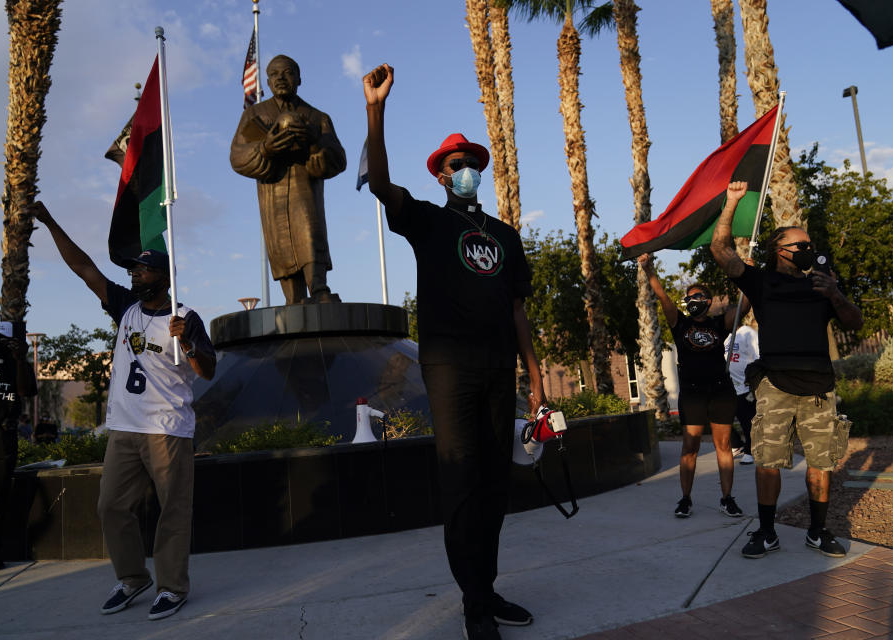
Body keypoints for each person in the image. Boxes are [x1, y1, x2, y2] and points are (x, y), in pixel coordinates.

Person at [363, 63, 547, 640]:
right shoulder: (426, 221)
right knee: (462, 481)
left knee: (495, 483)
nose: (464, 170)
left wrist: (535, 377)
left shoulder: (505, 236)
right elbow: (382, 182)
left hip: (500, 370)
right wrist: (376, 108)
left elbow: (518, 309)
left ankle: (485, 590)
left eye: (470, 163)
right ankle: (473, 605)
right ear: (441, 177)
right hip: (448, 369)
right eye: (454, 164)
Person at [33, 201, 216, 620]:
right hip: (125, 429)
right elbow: (85, 269)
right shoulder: (124, 308)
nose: (134, 275)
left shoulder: (184, 317)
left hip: (167, 430)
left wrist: (186, 342)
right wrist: (50, 222)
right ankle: (133, 577)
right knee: (110, 506)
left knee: (173, 512)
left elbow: (207, 370)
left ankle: (172, 587)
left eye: (143, 270)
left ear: (164, 278)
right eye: (132, 270)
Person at [710, 181, 863, 560]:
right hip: (775, 386)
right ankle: (766, 533)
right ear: (780, 251)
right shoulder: (760, 281)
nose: (809, 251)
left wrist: (835, 294)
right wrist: (731, 202)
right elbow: (720, 249)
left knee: (821, 465)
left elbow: (854, 323)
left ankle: (818, 531)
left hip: (818, 389)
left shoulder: (822, 284)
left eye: (810, 246)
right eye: (802, 246)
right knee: (768, 463)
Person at [638, 254, 749, 519]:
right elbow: (663, 298)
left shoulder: (719, 323)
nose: (692, 301)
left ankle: (727, 498)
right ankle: (685, 499)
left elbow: (744, 306)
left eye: (697, 297)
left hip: (720, 390)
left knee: (724, 445)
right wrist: (648, 268)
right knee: (690, 446)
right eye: (689, 298)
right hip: (693, 393)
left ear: (708, 301)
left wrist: (748, 274)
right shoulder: (680, 324)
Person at [230, 54, 347, 304]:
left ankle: (318, 289)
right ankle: (293, 300)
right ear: (268, 82)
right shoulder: (255, 115)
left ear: (299, 79)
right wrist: (265, 149)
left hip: (305, 189)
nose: (280, 78)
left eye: (287, 73)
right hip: (273, 191)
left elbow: (338, 158)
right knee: (280, 244)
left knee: (309, 231)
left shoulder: (317, 117)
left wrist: (315, 141)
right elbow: (237, 156)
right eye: (274, 74)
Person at [0, 322, 36, 571]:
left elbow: (25, 391)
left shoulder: (19, 365)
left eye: (1, 339)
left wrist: (20, 359)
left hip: (2, 440)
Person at [726, 321, 759, 465]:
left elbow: (757, 355)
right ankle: (736, 444)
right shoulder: (728, 337)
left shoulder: (747, 332)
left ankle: (750, 451)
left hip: (746, 388)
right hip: (730, 387)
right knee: (723, 419)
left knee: (747, 421)